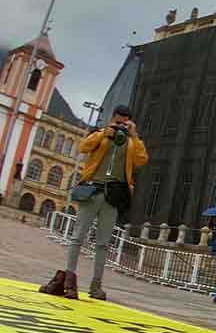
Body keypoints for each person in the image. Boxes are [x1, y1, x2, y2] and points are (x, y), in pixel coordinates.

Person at [38, 105, 147, 302]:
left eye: (125, 122)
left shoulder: (132, 142)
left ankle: (96, 284)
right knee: (77, 236)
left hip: (113, 195)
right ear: (112, 118)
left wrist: (135, 135)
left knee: (103, 243)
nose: (121, 125)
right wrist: (105, 133)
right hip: (93, 189)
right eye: (118, 121)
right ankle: (69, 278)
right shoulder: (99, 133)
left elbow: (141, 160)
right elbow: (83, 147)